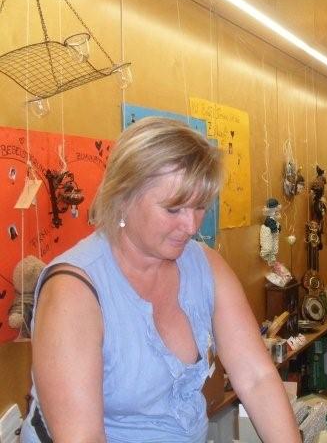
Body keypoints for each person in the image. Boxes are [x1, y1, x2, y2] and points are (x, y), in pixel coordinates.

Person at [21, 118, 300, 442]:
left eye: (199, 207)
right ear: (123, 197)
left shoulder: (204, 264)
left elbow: (256, 378)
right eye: (173, 209)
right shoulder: (72, 292)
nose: (191, 226)